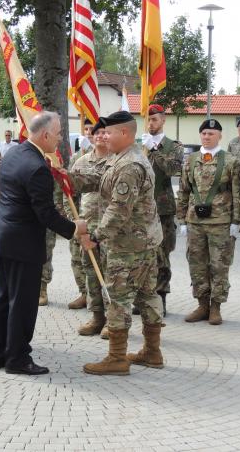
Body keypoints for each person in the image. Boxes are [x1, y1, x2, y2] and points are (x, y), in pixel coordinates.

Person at [0, 111, 92, 375]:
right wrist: (75, 229)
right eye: (57, 134)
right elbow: (45, 214)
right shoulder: (37, 167)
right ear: (45, 135)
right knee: (21, 304)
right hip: (22, 244)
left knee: (2, 299)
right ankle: (18, 359)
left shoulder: (13, 154)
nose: (59, 140)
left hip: (2, 238)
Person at [75, 111, 165, 376]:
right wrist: (67, 177)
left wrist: (96, 236)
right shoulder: (122, 158)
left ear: (124, 133)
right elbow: (99, 179)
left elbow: (118, 210)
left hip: (127, 245)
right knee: (148, 295)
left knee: (118, 297)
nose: (104, 136)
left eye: (109, 133)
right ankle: (152, 351)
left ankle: (116, 358)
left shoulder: (129, 165)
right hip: (143, 241)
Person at [177, 119, 240, 326]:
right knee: (196, 264)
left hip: (220, 222)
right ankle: (202, 304)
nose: (207, 136)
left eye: (211, 133)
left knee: (219, 265)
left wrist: (236, 220)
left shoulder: (231, 161)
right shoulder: (191, 159)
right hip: (195, 221)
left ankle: (216, 307)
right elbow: (184, 191)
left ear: (220, 136)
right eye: (204, 133)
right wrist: (182, 220)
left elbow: (238, 192)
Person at [139, 104, 183, 317]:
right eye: (148, 119)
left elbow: (173, 170)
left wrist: (155, 150)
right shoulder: (140, 146)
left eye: (154, 119)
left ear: (163, 120)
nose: (151, 124)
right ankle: (142, 297)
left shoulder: (173, 146)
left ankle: (161, 297)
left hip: (163, 209)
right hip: (140, 210)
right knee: (141, 255)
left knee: (161, 256)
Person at [68, 121, 110, 337]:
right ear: (91, 136)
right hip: (87, 226)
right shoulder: (81, 161)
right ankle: (96, 317)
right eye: (97, 133)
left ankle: (113, 321)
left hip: (111, 228)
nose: (101, 136)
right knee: (91, 272)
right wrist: (73, 221)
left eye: (105, 132)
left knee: (111, 273)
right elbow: (69, 194)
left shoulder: (117, 160)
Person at [64, 119, 95, 310]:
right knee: (77, 257)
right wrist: (72, 218)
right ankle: (84, 292)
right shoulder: (77, 158)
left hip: (98, 219)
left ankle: (98, 299)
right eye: (86, 129)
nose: (90, 133)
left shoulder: (108, 157)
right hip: (79, 216)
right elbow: (67, 190)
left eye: (93, 129)